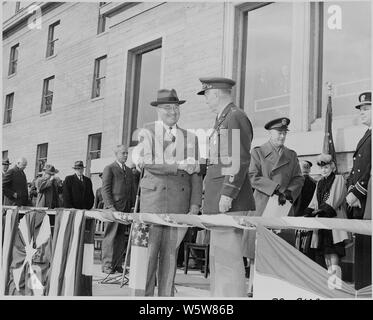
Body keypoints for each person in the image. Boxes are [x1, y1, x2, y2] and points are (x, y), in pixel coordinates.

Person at [137, 88, 202, 296]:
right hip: (153, 203)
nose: (172, 111)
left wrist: (194, 206)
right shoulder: (147, 132)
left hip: (179, 205)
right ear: (158, 110)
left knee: (171, 257)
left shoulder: (191, 138)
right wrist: (178, 165)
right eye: (167, 108)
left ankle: (165, 299)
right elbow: (148, 162)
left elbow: (196, 174)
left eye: (176, 107)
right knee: (148, 257)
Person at [197, 77, 255, 297]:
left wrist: (228, 194)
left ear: (216, 94)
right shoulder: (223, 120)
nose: (206, 101)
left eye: (207, 96)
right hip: (218, 199)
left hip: (228, 200)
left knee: (228, 262)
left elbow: (237, 158)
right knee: (219, 261)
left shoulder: (234, 117)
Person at [245, 118, 304, 271]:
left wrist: (290, 191)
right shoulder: (258, 152)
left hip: (283, 207)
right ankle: (253, 286)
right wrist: (276, 189)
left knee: (280, 250)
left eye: (284, 133)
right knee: (257, 252)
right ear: (270, 133)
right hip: (262, 205)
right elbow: (252, 176)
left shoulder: (291, 155)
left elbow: (298, 177)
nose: (282, 136)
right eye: (279, 133)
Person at [304, 154, 349, 279]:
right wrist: (309, 211)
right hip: (322, 221)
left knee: (333, 251)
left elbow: (334, 199)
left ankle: (335, 282)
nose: (324, 170)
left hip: (333, 220)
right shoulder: (320, 182)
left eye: (326, 167)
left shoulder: (339, 179)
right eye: (322, 168)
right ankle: (329, 282)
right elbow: (314, 200)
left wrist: (320, 211)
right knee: (324, 252)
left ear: (332, 167)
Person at [345, 91, 371, 290]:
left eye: (367, 109)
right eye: (361, 109)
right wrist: (350, 189)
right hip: (360, 200)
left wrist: (358, 192)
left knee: (367, 247)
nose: (362, 113)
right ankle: (361, 289)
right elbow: (357, 168)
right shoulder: (367, 134)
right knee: (362, 246)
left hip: (368, 200)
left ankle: (365, 289)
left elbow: (369, 168)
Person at [101, 145, 136, 274]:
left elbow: (132, 190)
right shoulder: (109, 168)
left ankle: (117, 264)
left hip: (125, 209)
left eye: (127, 153)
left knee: (121, 236)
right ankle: (107, 265)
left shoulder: (129, 170)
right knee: (110, 236)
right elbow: (105, 189)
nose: (126, 155)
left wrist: (132, 206)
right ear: (116, 154)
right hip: (113, 209)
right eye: (123, 153)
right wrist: (111, 207)